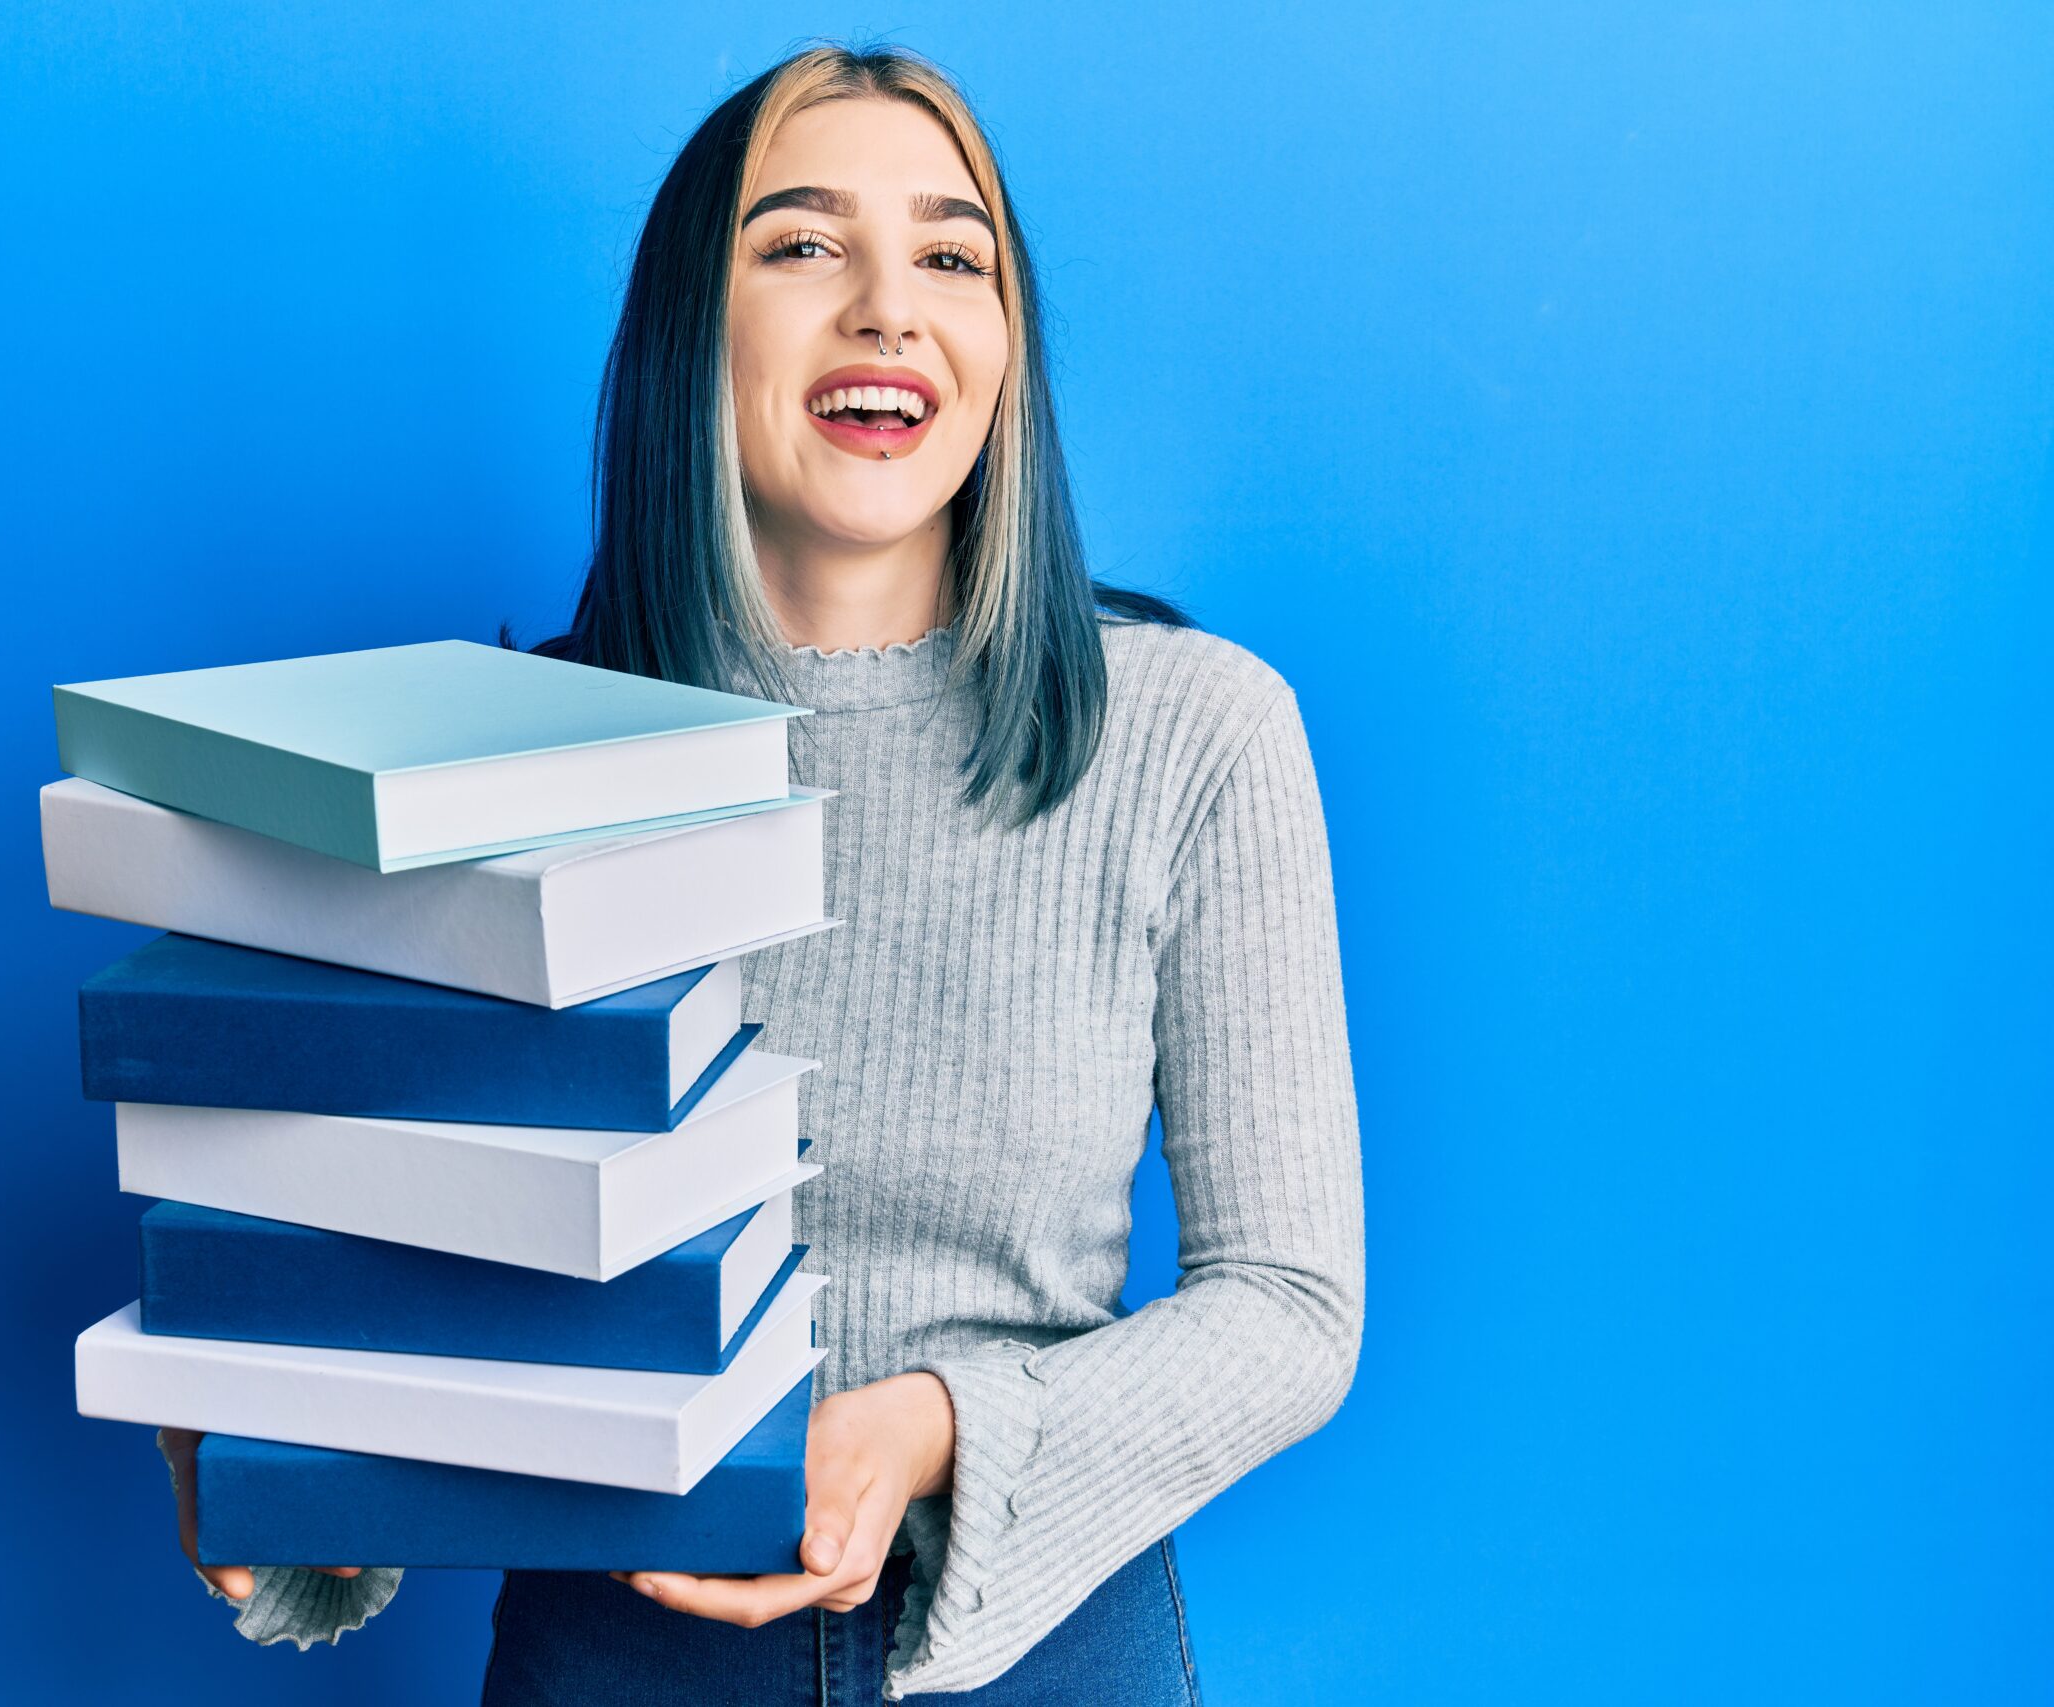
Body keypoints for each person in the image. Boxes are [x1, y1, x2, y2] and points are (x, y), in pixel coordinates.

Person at [156, 41, 1364, 1704]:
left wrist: (933, 1431)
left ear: (1007, 350)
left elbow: (1290, 1305)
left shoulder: (1197, 733)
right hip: (609, 1646)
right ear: (692, 334)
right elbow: (420, 1281)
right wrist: (289, 1462)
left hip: (1040, 1642)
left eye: (952, 258)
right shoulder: (496, 760)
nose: (888, 308)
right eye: (803, 244)